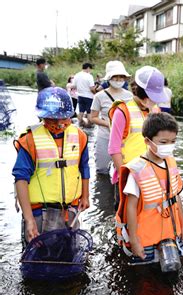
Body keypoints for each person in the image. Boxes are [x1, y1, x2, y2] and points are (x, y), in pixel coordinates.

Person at [12, 87, 90, 244]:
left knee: (68, 253)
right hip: (39, 212)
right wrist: (29, 219)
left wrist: (86, 195)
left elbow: (84, 167)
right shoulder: (30, 140)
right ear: (42, 116)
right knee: (38, 257)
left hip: (70, 209)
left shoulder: (79, 136)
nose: (59, 123)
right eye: (53, 120)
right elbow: (20, 179)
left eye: (63, 118)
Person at [115, 112, 183, 264]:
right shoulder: (138, 169)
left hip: (171, 233)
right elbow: (131, 208)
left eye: (173, 141)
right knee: (145, 278)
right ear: (148, 141)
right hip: (146, 239)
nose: (169, 146)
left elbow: (176, 197)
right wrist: (134, 241)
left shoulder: (171, 162)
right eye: (163, 142)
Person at [108, 66, 166, 209]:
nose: (155, 102)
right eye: (152, 98)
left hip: (150, 173)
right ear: (142, 94)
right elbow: (114, 148)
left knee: (148, 211)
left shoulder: (155, 110)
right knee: (125, 211)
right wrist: (123, 176)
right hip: (128, 173)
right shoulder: (122, 111)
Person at [90, 61, 133, 175]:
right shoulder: (99, 96)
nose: (118, 80)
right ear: (109, 78)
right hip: (105, 137)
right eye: (115, 77)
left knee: (124, 170)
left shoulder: (130, 96)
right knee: (102, 170)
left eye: (121, 77)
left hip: (124, 138)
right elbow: (93, 117)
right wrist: (110, 124)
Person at [73, 63, 96, 127]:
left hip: (80, 95)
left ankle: (80, 124)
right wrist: (95, 93)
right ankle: (89, 125)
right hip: (89, 96)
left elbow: (74, 86)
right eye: (90, 69)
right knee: (89, 111)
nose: (90, 70)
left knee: (81, 111)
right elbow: (92, 88)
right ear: (88, 68)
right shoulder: (89, 76)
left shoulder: (77, 75)